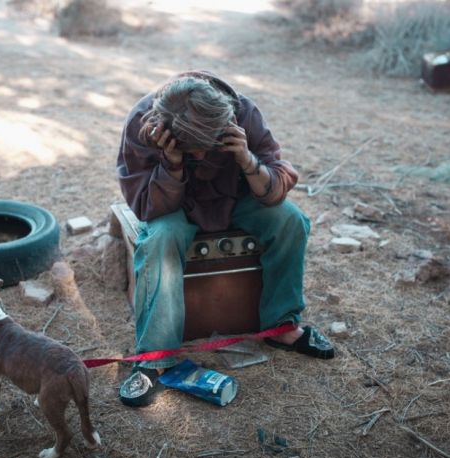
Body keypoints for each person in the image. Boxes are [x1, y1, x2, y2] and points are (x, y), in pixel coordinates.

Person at [115, 70, 334, 407]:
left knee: (290, 221)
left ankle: (282, 326)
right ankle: (156, 357)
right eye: (192, 149)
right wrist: (173, 164)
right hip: (175, 205)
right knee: (161, 238)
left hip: (234, 199)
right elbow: (146, 206)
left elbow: (276, 186)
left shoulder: (244, 113)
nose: (200, 156)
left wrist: (246, 158)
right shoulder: (144, 124)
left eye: (208, 146)